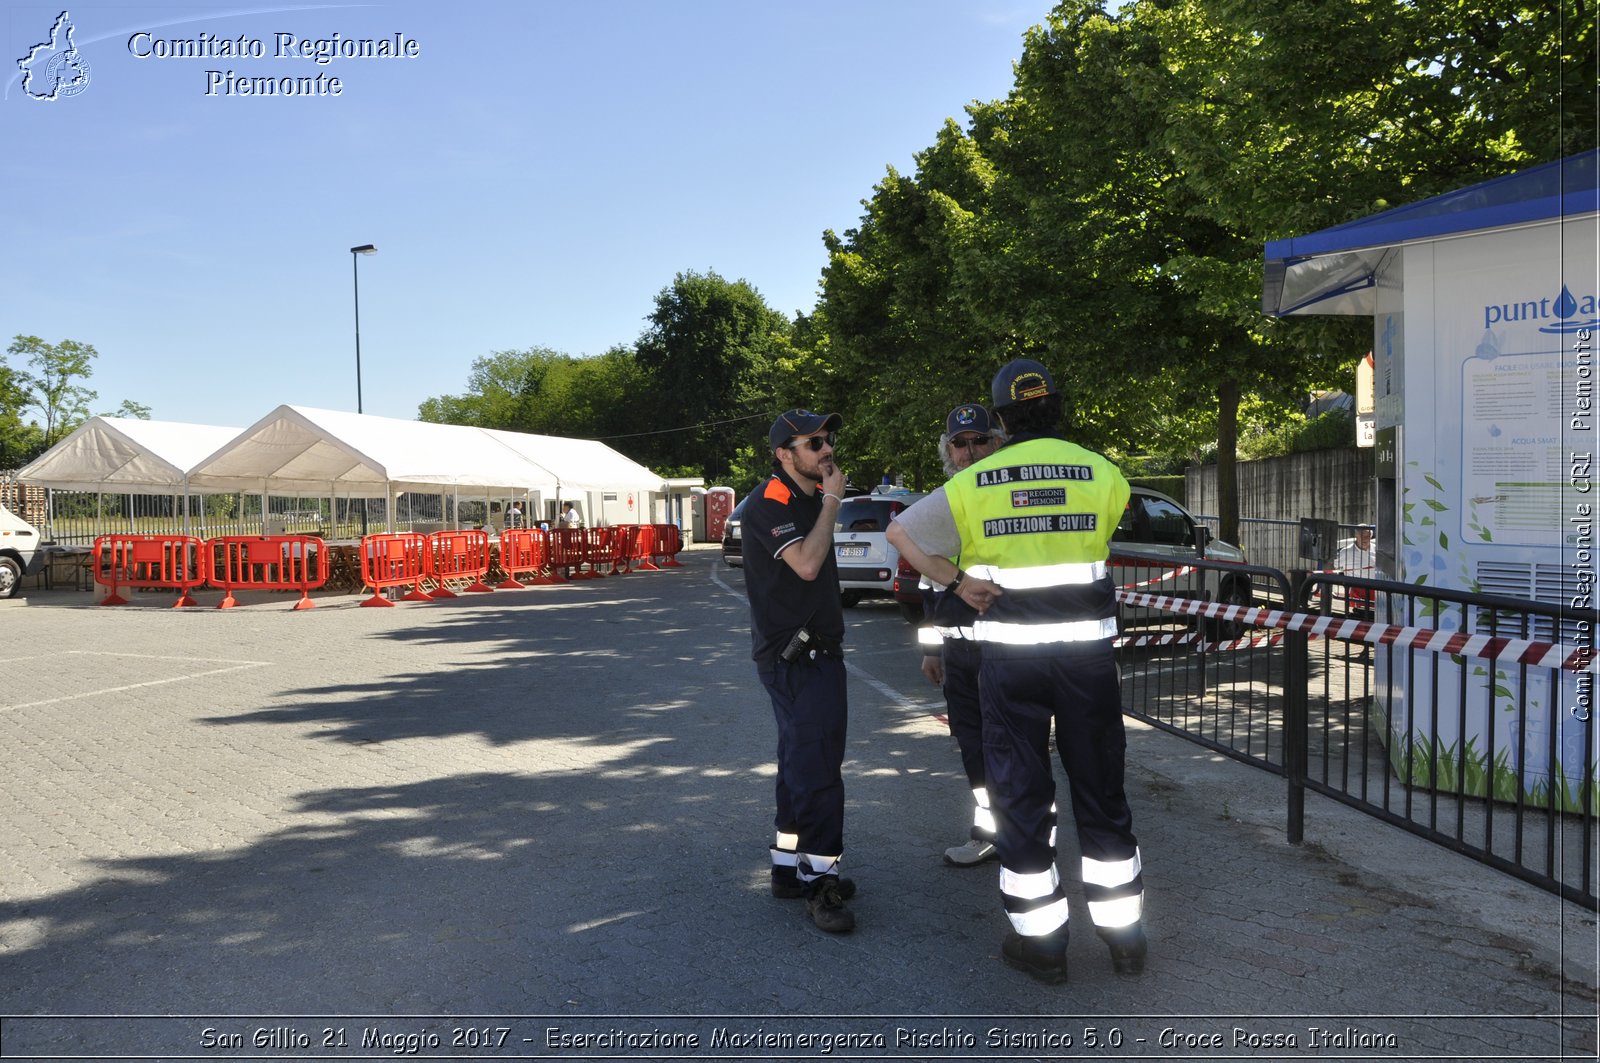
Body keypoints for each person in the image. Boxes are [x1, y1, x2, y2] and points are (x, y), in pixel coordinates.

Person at [888, 359, 1145, 985]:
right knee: (1102, 794)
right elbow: (1110, 531)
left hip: (1009, 663)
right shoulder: (1101, 472)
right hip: (1087, 662)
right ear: (1058, 406)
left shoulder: (976, 482)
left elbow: (899, 530)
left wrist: (956, 579)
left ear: (1001, 420)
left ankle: (1044, 947)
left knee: (1022, 800)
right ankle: (1126, 942)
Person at [740, 409, 856, 934]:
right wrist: (833, 501)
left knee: (798, 764)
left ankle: (788, 870)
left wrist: (825, 501)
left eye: (827, 439)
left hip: (812, 653)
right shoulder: (773, 500)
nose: (826, 449)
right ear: (784, 455)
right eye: (813, 444)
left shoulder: (806, 498)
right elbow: (807, 564)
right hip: (798, 658)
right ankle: (820, 883)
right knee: (818, 772)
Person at [915, 404, 1004, 867]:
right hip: (957, 653)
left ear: (997, 443)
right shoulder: (941, 503)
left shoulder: (1010, 495)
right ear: (948, 451)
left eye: (980, 439)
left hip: (1005, 649)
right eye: (960, 442)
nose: (970, 451)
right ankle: (988, 832)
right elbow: (928, 590)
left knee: (1011, 746)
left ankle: (1027, 835)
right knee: (973, 748)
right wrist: (932, 650)